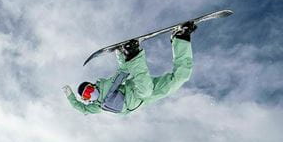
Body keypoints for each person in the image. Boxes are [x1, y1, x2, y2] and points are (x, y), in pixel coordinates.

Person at [63, 21, 196, 115]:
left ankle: (133, 54)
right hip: (144, 99)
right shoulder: (97, 107)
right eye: (86, 95)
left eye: (89, 88)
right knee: (181, 77)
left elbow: (123, 70)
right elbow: (82, 109)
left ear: (93, 85)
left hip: (138, 91)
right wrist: (70, 97)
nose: (91, 93)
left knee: (145, 90)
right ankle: (181, 37)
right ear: (86, 100)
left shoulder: (105, 85)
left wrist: (122, 54)